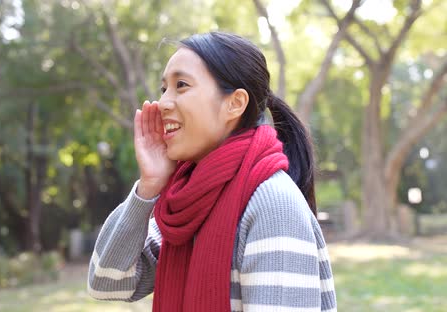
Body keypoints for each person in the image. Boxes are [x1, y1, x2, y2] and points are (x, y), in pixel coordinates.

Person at [87, 32, 337, 312]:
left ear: (235, 103)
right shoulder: (186, 204)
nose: (163, 103)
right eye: (163, 89)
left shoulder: (272, 204)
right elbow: (106, 281)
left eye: (181, 85)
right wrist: (148, 187)